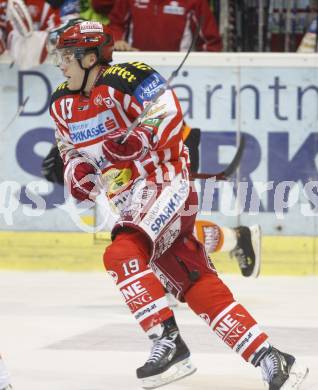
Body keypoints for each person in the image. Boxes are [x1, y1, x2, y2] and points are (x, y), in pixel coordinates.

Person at [49, 21, 308, 389]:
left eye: (66, 57)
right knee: (195, 280)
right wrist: (77, 171)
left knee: (121, 254)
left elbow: (167, 109)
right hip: (128, 200)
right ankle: (271, 357)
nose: (60, 64)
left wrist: (138, 139)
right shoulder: (61, 102)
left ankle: (167, 341)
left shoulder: (128, 76)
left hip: (164, 182)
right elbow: (69, 146)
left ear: (90, 58)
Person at [104, 0, 222, 52]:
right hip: (135, 69)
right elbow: (116, 24)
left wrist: (199, 70)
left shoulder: (194, 1)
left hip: (179, 72)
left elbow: (211, 43)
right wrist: (117, 40)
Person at [0, 0, 60, 68]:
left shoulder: (43, 5)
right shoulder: (4, 4)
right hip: (12, 55)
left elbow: (56, 29)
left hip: (37, 60)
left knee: (53, 38)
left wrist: (36, 38)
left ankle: (28, 42)